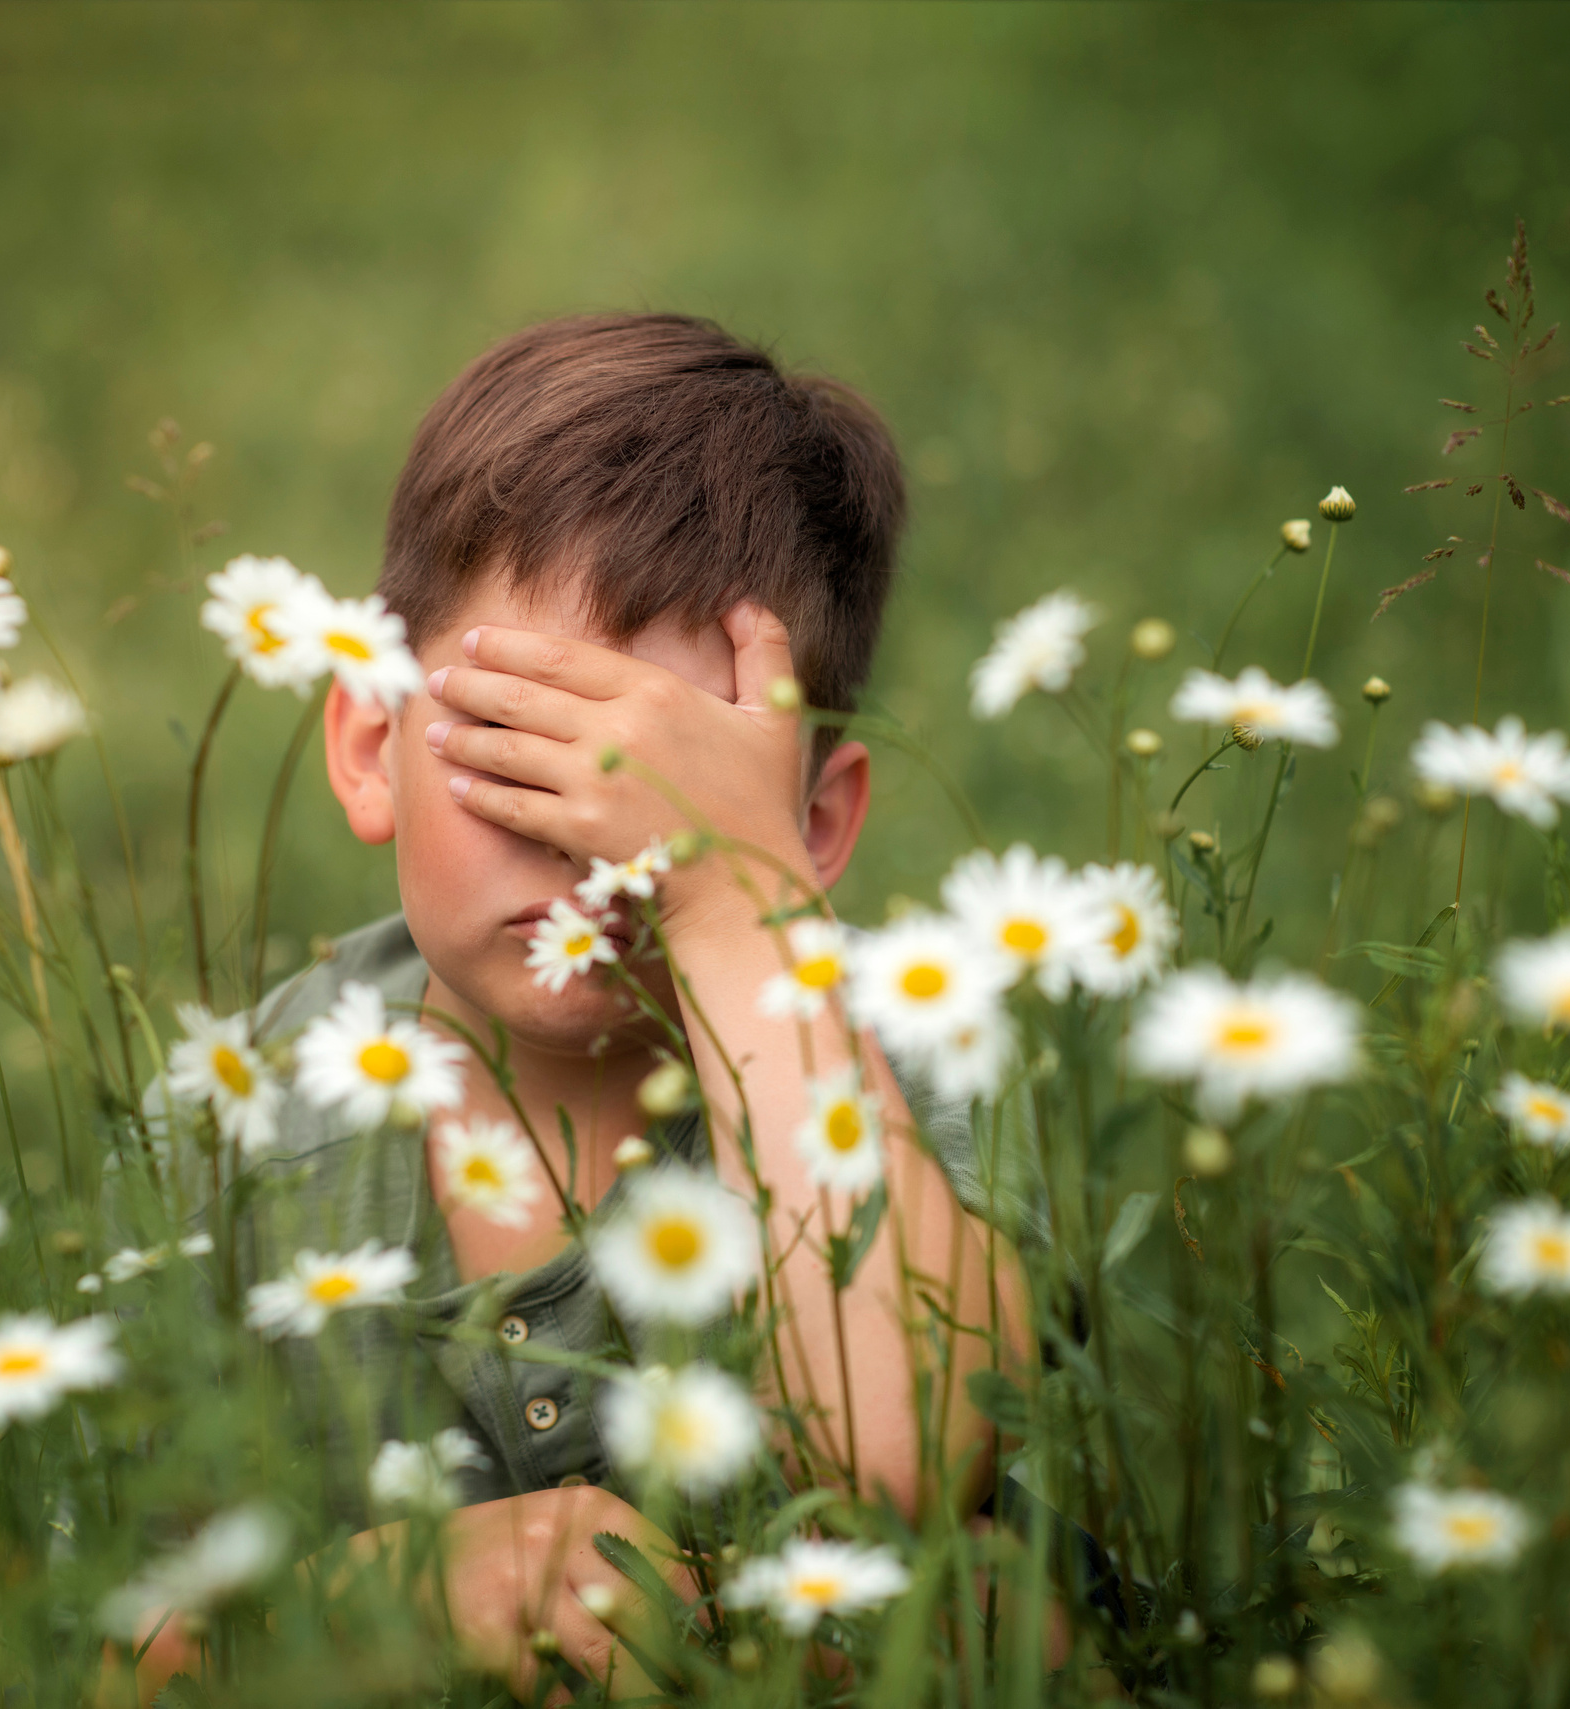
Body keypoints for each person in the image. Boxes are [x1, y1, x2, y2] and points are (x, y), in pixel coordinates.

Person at [128, 313, 1036, 1702]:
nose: (587, 847)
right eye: (519, 755)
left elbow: (899, 1460)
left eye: (671, 788)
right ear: (372, 746)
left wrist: (738, 902)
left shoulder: (897, 1062)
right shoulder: (231, 1132)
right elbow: (90, 1648)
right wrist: (366, 1605)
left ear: (811, 827)